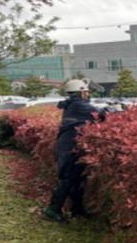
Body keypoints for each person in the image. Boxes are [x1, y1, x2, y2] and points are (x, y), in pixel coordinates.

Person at [44, 79, 105, 223]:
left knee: (77, 178)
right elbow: (100, 114)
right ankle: (52, 209)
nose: (88, 94)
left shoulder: (72, 104)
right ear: (80, 92)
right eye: (86, 91)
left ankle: (77, 209)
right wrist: (115, 109)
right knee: (67, 179)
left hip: (70, 144)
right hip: (69, 146)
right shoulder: (79, 104)